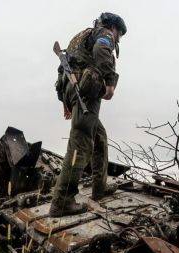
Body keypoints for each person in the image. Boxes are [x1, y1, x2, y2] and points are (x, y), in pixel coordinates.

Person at [50, 12, 127, 217]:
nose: (118, 38)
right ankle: (62, 201)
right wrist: (110, 82)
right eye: (119, 33)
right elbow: (102, 49)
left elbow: (62, 70)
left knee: (98, 136)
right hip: (86, 91)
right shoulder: (104, 34)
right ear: (114, 27)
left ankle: (99, 187)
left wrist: (65, 101)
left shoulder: (80, 37)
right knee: (81, 143)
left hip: (74, 91)